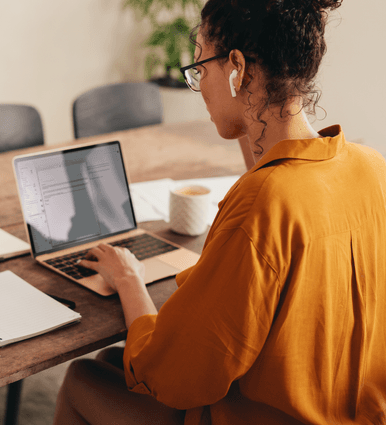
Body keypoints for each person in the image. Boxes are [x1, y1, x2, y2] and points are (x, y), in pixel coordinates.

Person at [52, 0, 386, 424]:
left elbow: (177, 376)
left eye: (199, 68)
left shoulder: (260, 205)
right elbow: (285, 177)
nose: (199, 86)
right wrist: (246, 120)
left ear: (237, 69)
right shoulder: (371, 167)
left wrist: (128, 279)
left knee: (85, 375)